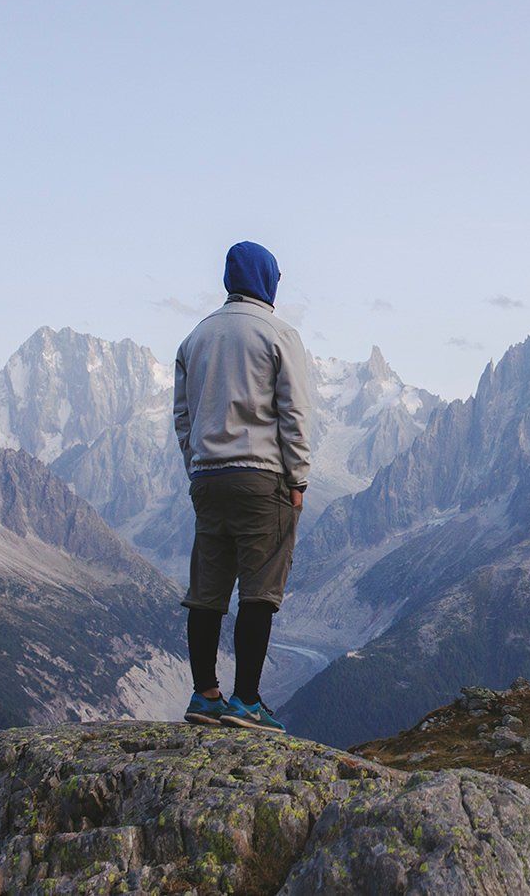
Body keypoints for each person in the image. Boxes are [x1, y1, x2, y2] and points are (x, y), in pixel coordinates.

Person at [172, 241, 310, 732]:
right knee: (259, 590)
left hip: (208, 478)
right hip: (261, 477)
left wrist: (196, 463)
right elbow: (294, 412)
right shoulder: (278, 334)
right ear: (268, 281)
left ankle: (204, 694)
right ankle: (246, 700)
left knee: (206, 589)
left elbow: (183, 414)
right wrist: (298, 478)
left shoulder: (197, 336)